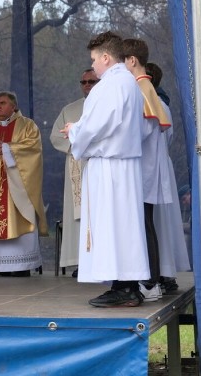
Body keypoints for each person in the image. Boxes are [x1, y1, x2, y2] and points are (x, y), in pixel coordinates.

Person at [62, 31, 148, 307]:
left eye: (95, 60)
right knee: (122, 227)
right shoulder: (128, 83)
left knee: (112, 225)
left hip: (110, 166)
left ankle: (123, 287)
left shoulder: (111, 85)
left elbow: (96, 125)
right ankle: (125, 284)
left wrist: (74, 130)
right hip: (122, 165)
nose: (94, 66)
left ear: (107, 58)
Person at [0, 91, 47, 276]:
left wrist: (6, 148)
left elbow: (33, 148)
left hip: (17, 186)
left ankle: (22, 266)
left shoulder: (28, 126)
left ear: (13, 106)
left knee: (20, 214)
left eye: (3, 103)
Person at [123, 38, 171, 302]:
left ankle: (150, 282)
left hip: (141, 170)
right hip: (142, 169)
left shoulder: (141, 89)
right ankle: (149, 279)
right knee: (143, 224)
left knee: (143, 224)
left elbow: (140, 131)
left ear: (132, 61)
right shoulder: (144, 88)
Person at [49, 69, 98, 277]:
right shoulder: (70, 110)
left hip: (98, 166)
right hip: (76, 167)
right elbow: (56, 136)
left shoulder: (105, 106)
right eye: (83, 82)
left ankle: (99, 260)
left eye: (91, 81)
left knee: (97, 214)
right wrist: (76, 145)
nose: (87, 85)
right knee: (78, 216)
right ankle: (80, 261)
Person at [147, 62, 191, 294]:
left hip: (155, 167)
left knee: (160, 222)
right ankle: (162, 272)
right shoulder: (158, 104)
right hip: (157, 165)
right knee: (157, 223)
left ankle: (163, 272)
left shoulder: (158, 105)